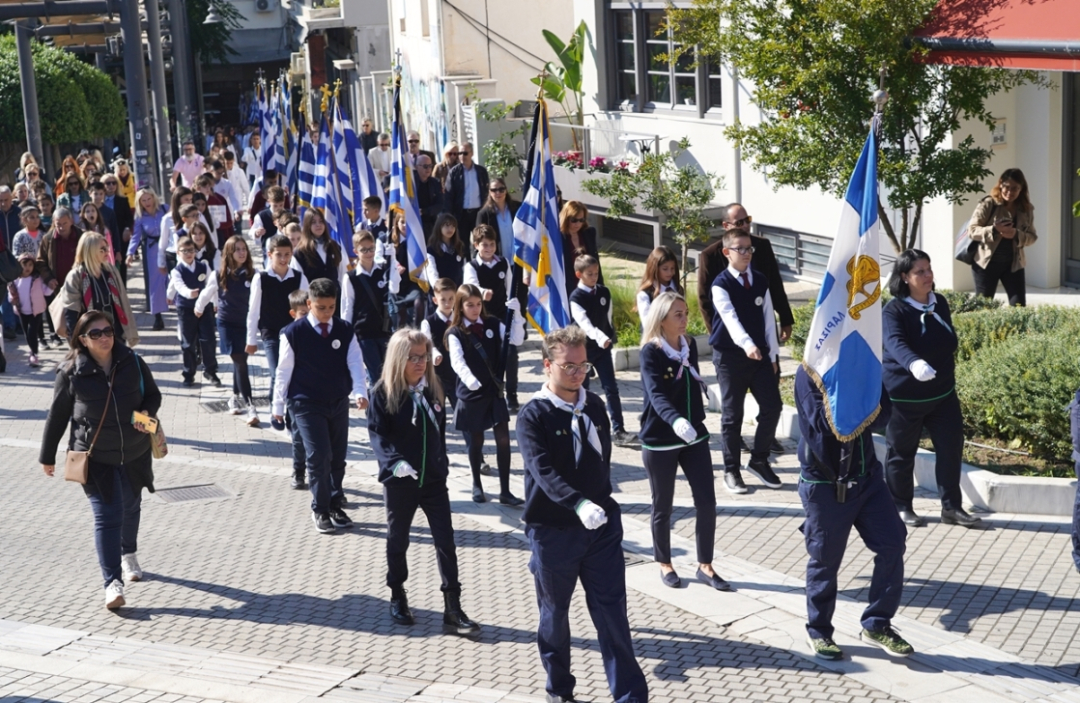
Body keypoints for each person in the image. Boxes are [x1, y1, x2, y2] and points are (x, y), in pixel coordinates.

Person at [517, 325, 649, 703]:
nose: (578, 374)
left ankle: (630, 696)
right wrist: (576, 502)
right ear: (547, 365)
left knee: (612, 614)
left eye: (584, 367)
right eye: (569, 366)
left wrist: (599, 503)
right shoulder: (533, 416)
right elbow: (542, 471)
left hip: (601, 528)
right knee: (555, 615)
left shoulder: (593, 405)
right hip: (554, 530)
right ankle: (559, 690)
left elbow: (601, 459)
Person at [39, 310, 162, 610]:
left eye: (108, 331)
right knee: (108, 515)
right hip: (94, 457)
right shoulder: (71, 371)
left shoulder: (131, 361)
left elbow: (153, 395)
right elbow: (57, 415)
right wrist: (47, 455)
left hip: (134, 451)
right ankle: (112, 583)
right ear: (82, 339)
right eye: (96, 334)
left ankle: (128, 552)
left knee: (131, 506)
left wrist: (146, 413)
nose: (105, 337)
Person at [794, 365, 913, 661]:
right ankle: (819, 629)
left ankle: (877, 623)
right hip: (825, 483)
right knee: (825, 557)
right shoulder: (809, 372)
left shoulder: (864, 363)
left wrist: (862, 384)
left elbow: (883, 415)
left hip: (867, 478)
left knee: (893, 542)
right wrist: (853, 393)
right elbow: (825, 425)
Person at [368, 328, 481, 636]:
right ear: (398, 358)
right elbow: (378, 435)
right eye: (413, 358)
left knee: (446, 541)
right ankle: (397, 594)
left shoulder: (433, 388)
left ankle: (453, 606)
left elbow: (438, 433)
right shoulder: (383, 392)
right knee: (398, 540)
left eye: (424, 357)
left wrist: (440, 463)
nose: (420, 363)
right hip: (400, 482)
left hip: (432, 481)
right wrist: (394, 462)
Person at [882, 250, 978, 528]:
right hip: (905, 396)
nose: (927, 276)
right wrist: (914, 364)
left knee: (950, 449)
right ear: (904, 277)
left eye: (929, 269)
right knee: (901, 454)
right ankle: (901, 506)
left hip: (942, 395)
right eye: (919, 272)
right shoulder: (894, 310)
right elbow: (895, 343)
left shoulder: (940, 303)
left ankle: (951, 508)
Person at [638, 292, 728, 591]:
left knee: (707, 501)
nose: (684, 318)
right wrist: (675, 420)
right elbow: (657, 394)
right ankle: (664, 562)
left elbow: (691, 381)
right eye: (678, 314)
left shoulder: (687, 344)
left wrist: (696, 415)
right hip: (661, 437)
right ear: (661, 319)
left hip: (694, 434)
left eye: (686, 312)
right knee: (662, 504)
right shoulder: (651, 352)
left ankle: (706, 565)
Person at [272, 278, 369, 534]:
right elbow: (283, 372)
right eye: (321, 307)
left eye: (331, 307)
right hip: (305, 403)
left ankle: (336, 503)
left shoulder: (345, 330)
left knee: (337, 456)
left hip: (337, 401)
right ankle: (320, 508)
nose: (327, 313)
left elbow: (356, 364)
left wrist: (360, 392)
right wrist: (277, 408)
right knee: (318, 456)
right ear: (309, 304)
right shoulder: (293, 333)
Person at [709, 228, 782, 493]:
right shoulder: (720, 285)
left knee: (773, 407)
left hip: (760, 356)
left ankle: (759, 460)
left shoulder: (760, 280)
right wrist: (747, 344)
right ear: (727, 252)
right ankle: (731, 470)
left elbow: (767, 320)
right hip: (730, 357)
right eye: (740, 249)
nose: (746, 253)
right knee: (733, 416)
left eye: (749, 248)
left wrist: (772, 355)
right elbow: (730, 320)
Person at [446, 283, 524, 505]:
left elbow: (516, 339)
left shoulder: (492, 323)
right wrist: (470, 381)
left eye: (478, 304)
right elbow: (457, 361)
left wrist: (516, 314)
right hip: (472, 394)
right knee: (476, 441)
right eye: (470, 305)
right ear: (460, 306)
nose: (475, 309)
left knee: (503, 440)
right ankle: (476, 484)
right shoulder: (455, 333)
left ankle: (505, 491)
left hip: (493, 391)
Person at [698, 202, 794, 347]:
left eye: (747, 220)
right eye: (739, 222)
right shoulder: (711, 255)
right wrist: (715, 332)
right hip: (730, 335)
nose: (745, 225)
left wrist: (786, 319)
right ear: (726, 226)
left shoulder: (762, 246)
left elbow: (775, 285)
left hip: (762, 328)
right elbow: (705, 299)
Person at [569, 255, 637, 447]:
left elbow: (607, 318)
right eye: (589, 274)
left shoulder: (604, 292)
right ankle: (585, 429)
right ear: (579, 275)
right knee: (584, 391)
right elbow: (584, 324)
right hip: (584, 350)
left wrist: (609, 337)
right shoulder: (576, 297)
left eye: (596, 273)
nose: (594, 277)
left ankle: (619, 430)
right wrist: (600, 337)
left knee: (611, 389)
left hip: (603, 348)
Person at [201, 235, 260, 425]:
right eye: (238, 250)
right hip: (226, 323)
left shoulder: (254, 274)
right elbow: (207, 293)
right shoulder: (219, 275)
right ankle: (251, 407)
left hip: (245, 324)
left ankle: (234, 397)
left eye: (244, 249)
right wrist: (198, 307)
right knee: (240, 361)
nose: (242, 253)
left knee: (240, 362)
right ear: (229, 253)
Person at [463, 224, 521, 410]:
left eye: (492, 244)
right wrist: (482, 292)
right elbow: (470, 287)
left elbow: (511, 286)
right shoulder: (471, 266)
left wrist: (515, 307)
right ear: (476, 245)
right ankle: (491, 389)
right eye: (484, 245)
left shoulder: (503, 263)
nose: (488, 248)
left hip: (503, 314)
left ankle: (512, 393)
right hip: (482, 316)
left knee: (510, 352)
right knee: (487, 354)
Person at [967, 168, 1037, 307]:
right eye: (1006, 187)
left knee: (1019, 307)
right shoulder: (989, 204)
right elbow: (972, 230)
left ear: (1021, 189)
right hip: (986, 264)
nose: (1010, 192)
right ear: (1000, 185)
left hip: (1014, 264)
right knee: (983, 308)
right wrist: (994, 230)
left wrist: (1017, 234)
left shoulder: (1026, 209)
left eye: (1015, 188)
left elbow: (1032, 237)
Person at [342, 230, 399, 384]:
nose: (368, 253)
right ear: (356, 252)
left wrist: (391, 258)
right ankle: (374, 407)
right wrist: (345, 334)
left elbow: (395, 288)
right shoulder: (351, 277)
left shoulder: (383, 271)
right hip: (364, 332)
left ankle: (387, 407)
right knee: (375, 375)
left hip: (384, 328)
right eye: (364, 250)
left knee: (389, 373)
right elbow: (348, 307)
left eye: (371, 248)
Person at [61, 232, 138, 345]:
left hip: (114, 334)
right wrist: (77, 345)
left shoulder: (111, 271)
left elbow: (123, 304)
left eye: (107, 247)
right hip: (91, 337)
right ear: (91, 251)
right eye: (102, 249)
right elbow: (71, 314)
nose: (108, 251)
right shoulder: (76, 276)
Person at [169, 235, 220, 387]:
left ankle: (210, 371)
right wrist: (187, 293)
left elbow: (212, 284)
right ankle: (188, 373)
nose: (189, 253)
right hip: (185, 308)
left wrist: (215, 302)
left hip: (204, 307)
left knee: (208, 338)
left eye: (191, 250)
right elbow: (178, 285)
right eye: (185, 251)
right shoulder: (176, 270)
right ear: (178, 253)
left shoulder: (203, 266)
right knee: (188, 342)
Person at [37, 208, 81, 343]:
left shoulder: (82, 236)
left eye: (64, 223)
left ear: (71, 221)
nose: (61, 227)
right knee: (66, 318)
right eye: (58, 224)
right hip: (59, 287)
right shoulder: (48, 239)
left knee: (80, 316)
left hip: (79, 285)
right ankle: (72, 343)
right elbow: (40, 261)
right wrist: (48, 278)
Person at [126, 189, 168, 331]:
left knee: (173, 278)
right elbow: (136, 236)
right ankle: (157, 317)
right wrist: (130, 253)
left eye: (148, 199)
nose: (147, 203)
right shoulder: (140, 216)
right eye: (143, 200)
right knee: (155, 283)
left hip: (169, 247)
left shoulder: (164, 209)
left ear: (153, 197)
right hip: (152, 250)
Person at [8, 253, 55, 367]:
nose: (27, 268)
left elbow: (45, 291)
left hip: (37, 310)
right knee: (27, 334)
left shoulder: (37, 279)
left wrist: (51, 287)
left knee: (32, 332)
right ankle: (32, 350)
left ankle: (34, 354)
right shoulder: (15, 280)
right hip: (22, 311)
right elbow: (11, 295)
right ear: (19, 266)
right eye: (24, 265)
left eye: (30, 265)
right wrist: (12, 300)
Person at [422, 277, 459, 410]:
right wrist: (435, 354)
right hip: (437, 376)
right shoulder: (428, 322)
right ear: (435, 300)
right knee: (438, 412)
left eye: (451, 299)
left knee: (462, 411)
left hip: (457, 375)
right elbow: (427, 343)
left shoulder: (460, 320)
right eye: (443, 299)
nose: (448, 303)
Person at [292, 210, 347, 286]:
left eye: (321, 221)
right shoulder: (300, 252)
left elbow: (342, 274)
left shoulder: (334, 246)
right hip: (312, 296)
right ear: (307, 225)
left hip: (335, 296)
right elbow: (297, 280)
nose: (318, 225)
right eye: (313, 222)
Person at [559, 201, 602, 300]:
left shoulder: (589, 233)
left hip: (590, 283)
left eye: (581, 220)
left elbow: (595, 260)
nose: (578, 224)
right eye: (574, 220)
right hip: (568, 285)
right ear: (566, 218)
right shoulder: (558, 237)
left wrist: (600, 285)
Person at [444, 142, 488, 236]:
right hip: (461, 214)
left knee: (480, 239)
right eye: (459, 153)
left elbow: (486, 192)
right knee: (463, 245)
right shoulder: (454, 173)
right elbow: (449, 196)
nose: (462, 156)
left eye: (465, 153)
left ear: (472, 153)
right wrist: (450, 216)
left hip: (478, 213)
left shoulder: (481, 171)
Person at [636, 246, 683, 325]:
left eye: (672, 268)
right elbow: (647, 324)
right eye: (665, 269)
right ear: (654, 268)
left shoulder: (678, 289)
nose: (670, 273)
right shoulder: (645, 294)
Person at [425, 213, 467, 287]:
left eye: (453, 226)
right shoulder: (431, 250)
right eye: (447, 225)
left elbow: (464, 270)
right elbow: (432, 274)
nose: (450, 229)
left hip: (458, 291)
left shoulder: (460, 247)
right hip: (440, 292)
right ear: (439, 227)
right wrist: (439, 289)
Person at [250, 185, 288, 257]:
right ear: (269, 201)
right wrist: (257, 233)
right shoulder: (262, 216)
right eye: (275, 206)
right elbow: (252, 231)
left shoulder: (288, 215)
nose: (278, 208)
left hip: (286, 251)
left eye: (281, 205)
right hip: (268, 251)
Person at [414, 153, 444, 238]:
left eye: (430, 166)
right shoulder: (410, 183)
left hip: (430, 222)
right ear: (417, 167)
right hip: (414, 221)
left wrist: (424, 211)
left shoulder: (435, 183)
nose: (428, 169)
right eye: (425, 166)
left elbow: (440, 204)